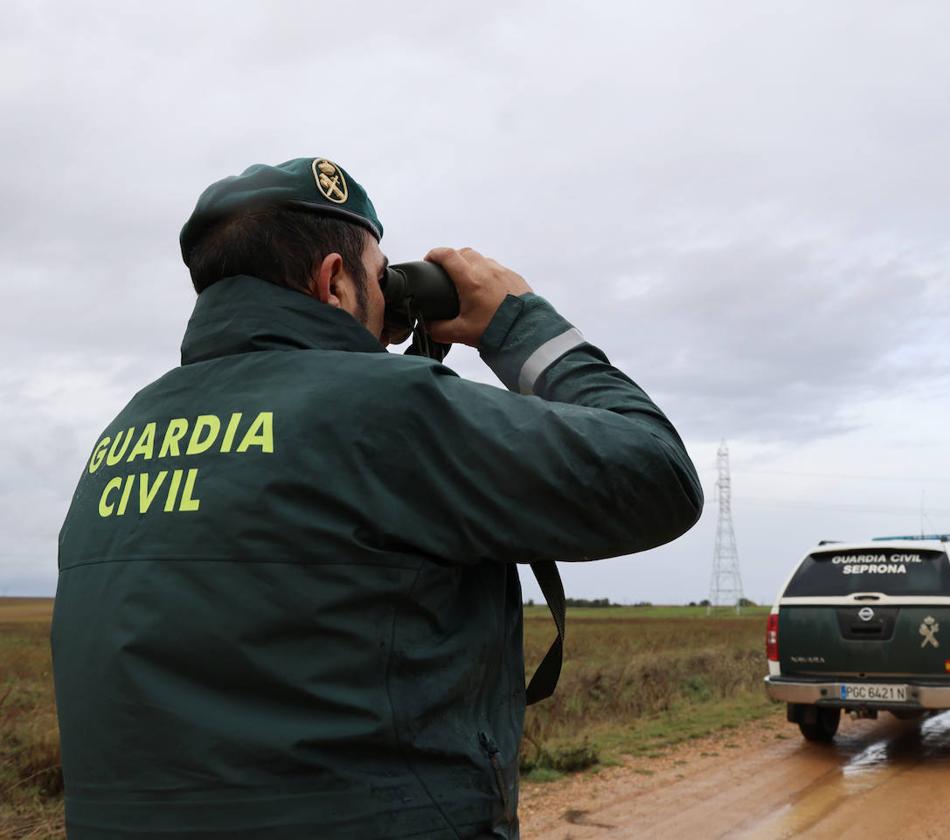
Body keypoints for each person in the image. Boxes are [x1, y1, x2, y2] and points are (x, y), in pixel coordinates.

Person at [51, 157, 703, 839]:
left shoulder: (125, 431)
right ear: (334, 281)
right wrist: (520, 325)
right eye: (380, 272)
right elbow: (656, 474)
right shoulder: (384, 409)